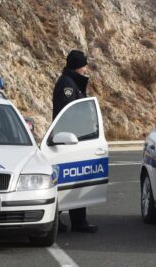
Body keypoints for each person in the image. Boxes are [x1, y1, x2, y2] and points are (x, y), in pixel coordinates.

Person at [52, 49, 98, 233]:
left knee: (78, 181)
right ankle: (61, 221)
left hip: (75, 140)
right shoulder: (67, 85)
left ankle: (79, 221)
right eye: (84, 65)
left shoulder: (73, 82)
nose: (86, 68)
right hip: (68, 141)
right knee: (66, 181)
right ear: (78, 66)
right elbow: (67, 115)